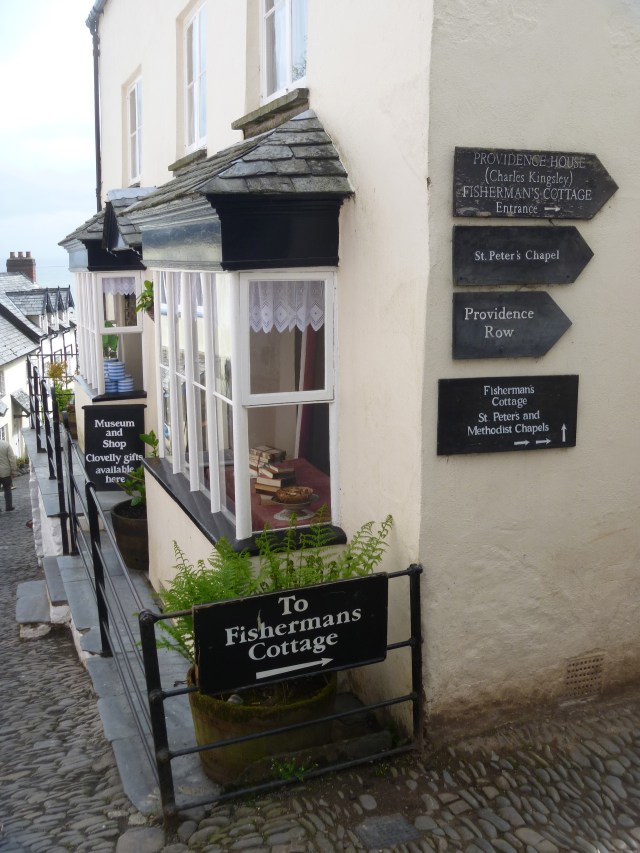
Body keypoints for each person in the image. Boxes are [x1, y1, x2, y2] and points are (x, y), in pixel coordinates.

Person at [0, 438, 18, 512]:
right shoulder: (6, 444)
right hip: (5, 472)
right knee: (7, 489)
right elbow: (12, 459)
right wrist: (14, 471)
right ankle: (9, 506)